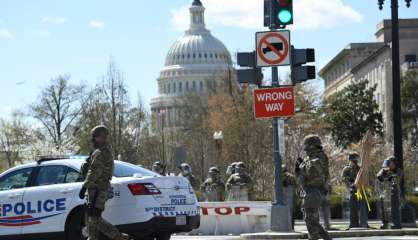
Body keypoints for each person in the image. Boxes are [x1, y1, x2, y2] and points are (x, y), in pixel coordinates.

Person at [79, 125, 132, 240]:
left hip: (97, 189)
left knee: (94, 218)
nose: (93, 139)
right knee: (91, 218)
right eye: (92, 137)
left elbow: (94, 171)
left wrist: (84, 186)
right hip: (95, 189)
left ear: (102, 137)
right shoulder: (99, 151)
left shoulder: (101, 153)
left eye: (95, 137)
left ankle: (119, 237)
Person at [295, 135, 332, 240]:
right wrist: (299, 168)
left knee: (310, 219)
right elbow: (302, 176)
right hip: (310, 190)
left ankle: (318, 237)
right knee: (311, 219)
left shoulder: (318, 157)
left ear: (311, 146)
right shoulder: (311, 157)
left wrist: (301, 167)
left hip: (314, 190)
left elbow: (312, 173)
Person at [341, 152, 369, 229]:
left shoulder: (359, 168)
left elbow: (364, 178)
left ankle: (364, 223)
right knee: (353, 208)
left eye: (356, 159)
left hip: (360, 190)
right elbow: (343, 179)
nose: (356, 161)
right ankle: (353, 224)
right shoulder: (347, 169)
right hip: (352, 190)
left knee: (362, 207)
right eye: (354, 159)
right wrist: (350, 182)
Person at [376, 156, 403, 229]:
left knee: (394, 209)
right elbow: (378, 176)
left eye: (390, 162)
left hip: (395, 192)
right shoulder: (385, 170)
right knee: (384, 210)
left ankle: (396, 223)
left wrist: (390, 177)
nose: (388, 164)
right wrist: (383, 174)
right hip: (386, 192)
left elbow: (397, 179)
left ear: (394, 163)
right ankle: (385, 223)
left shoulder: (398, 170)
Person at [282, 164, 296, 230]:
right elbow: (295, 185)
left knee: (288, 211)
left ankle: (288, 226)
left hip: (286, 196)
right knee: (290, 212)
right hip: (289, 196)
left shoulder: (279, 176)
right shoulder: (291, 176)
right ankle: (291, 227)